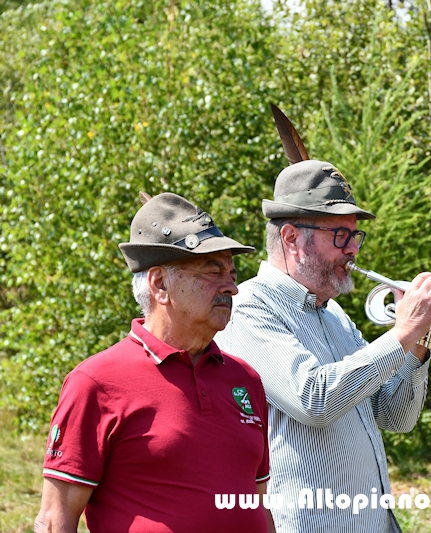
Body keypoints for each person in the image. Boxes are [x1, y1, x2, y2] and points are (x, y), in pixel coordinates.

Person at [215, 159, 431, 532]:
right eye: (340, 236)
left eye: (355, 236)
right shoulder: (250, 307)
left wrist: (419, 343)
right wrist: (406, 329)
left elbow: (395, 417)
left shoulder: (335, 316)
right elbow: (314, 399)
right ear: (291, 238)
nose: (353, 250)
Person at [35, 192, 275, 533]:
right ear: (160, 284)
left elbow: (257, 503)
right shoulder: (96, 382)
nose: (232, 287)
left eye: (232, 273)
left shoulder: (246, 380)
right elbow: (55, 519)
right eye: (213, 271)